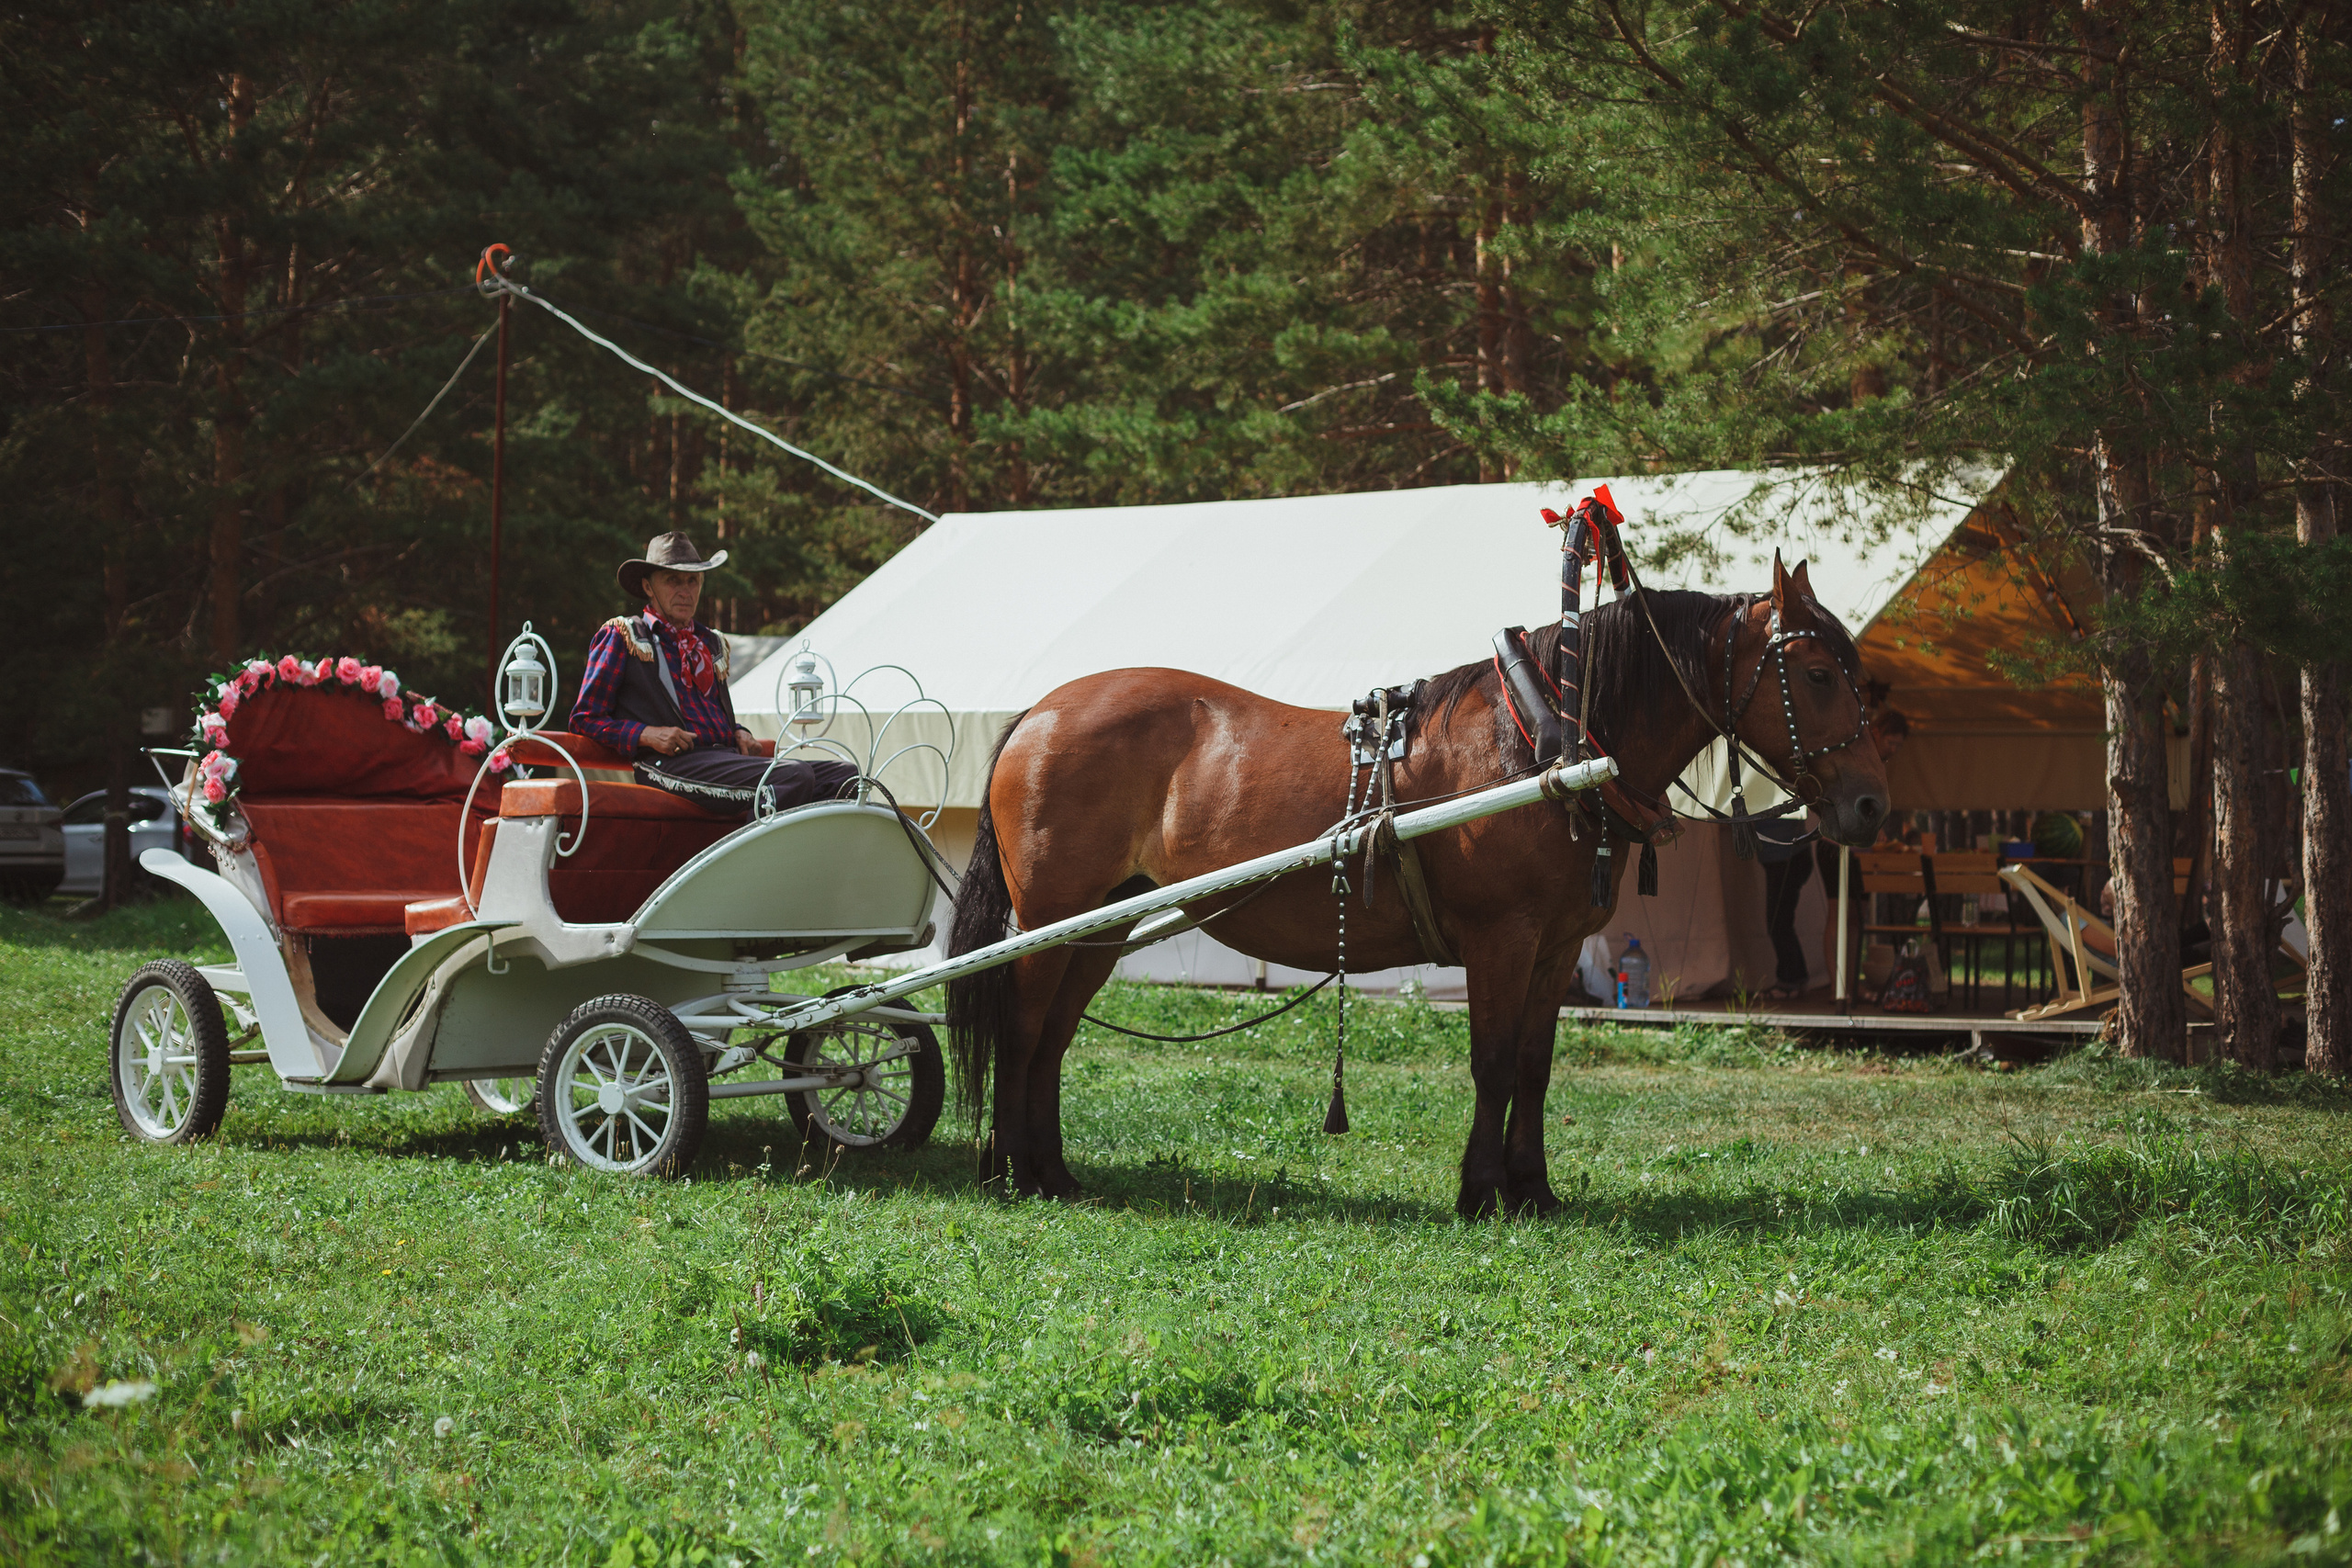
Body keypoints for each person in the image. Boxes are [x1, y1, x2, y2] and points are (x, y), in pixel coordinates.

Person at [571, 532, 859, 816]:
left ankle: (815, 846)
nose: (685, 591)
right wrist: (647, 734)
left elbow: (710, 716)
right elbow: (584, 720)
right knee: (792, 776)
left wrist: (739, 732)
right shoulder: (624, 635)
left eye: (692, 581)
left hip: (723, 760)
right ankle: (754, 846)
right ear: (648, 586)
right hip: (668, 765)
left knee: (846, 775)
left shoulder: (709, 642)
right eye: (673, 580)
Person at [1815, 706, 1910, 994]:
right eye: (1891, 743)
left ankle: (1851, 984)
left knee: (1857, 916)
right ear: (1876, 732)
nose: (1893, 750)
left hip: (1862, 852)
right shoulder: (1853, 752)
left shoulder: (1877, 762)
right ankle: (1836, 985)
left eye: (1898, 746)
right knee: (1838, 914)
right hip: (1835, 846)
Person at [1753, 812, 1816, 1002]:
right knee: (1781, 922)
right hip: (1784, 855)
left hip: (1787, 856)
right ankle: (1797, 978)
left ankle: (1789, 982)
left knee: (1778, 922)